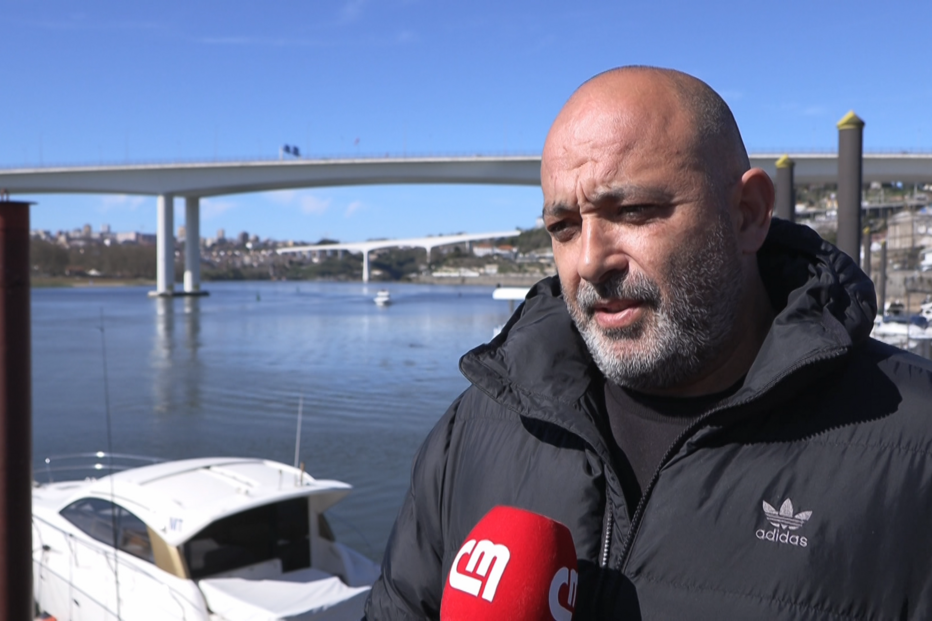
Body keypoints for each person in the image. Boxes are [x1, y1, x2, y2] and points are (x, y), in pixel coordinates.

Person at [364, 67, 932, 619]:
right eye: (563, 227)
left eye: (632, 211)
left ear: (747, 215)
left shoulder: (914, 448)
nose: (589, 261)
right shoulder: (474, 430)